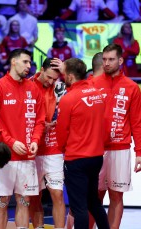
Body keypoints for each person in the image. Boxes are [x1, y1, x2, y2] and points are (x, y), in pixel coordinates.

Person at [0, 48, 45, 229]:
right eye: (25, 62)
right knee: (2, 202)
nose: (29, 66)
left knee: (24, 201)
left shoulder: (34, 88)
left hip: (27, 157)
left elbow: (40, 120)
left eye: (30, 63)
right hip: (5, 157)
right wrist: (11, 142)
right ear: (13, 61)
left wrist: (35, 140)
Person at [57, 58, 109, 229]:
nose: (62, 76)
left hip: (76, 159)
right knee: (94, 202)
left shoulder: (68, 98)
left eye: (63, 74)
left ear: (71, 77)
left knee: (79, 207)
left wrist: (62, 149)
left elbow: (62, 131)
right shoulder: (97, 94)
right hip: (96, 157)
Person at [93, 44, 141, 229]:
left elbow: (137, 122)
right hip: (95, 149)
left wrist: (139, 152)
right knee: (95, 196)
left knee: (116, 195)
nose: (106, 63)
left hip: (120, 149)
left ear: (120, 61)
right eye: (104, 59)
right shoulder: (93, 84)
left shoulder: (132, 87)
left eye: (111, 59)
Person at [28, 58, 67, 229]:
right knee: (34, 195)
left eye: (55, 78)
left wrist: (64, 71)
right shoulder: (27, 85)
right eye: (49, 77)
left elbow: (84, 88)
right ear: (41, 70)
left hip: (53, 147)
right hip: (33, 147)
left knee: (57, 194)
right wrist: (41, 125)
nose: (51, 82)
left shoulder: (61, 87)